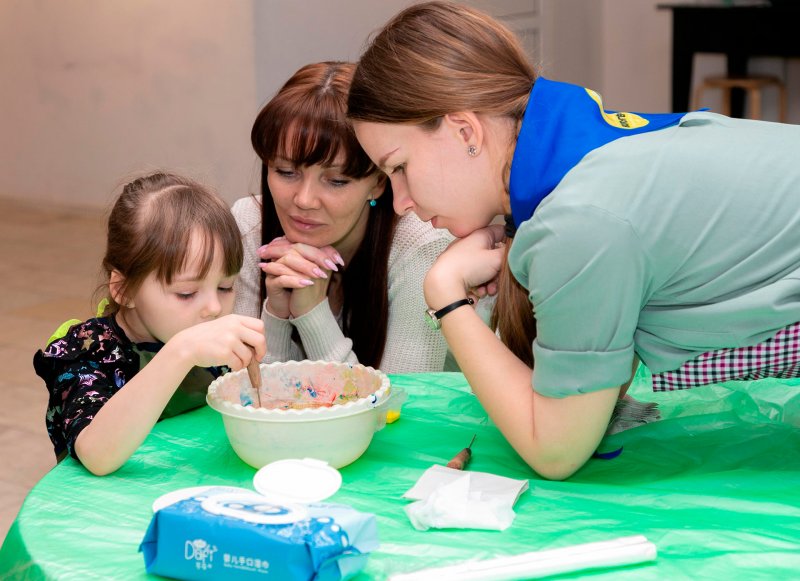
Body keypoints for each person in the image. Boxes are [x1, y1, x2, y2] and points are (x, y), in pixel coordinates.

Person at [348, 1, 800, 479]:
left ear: (465, 131)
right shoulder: (586, 146)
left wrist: (445, 297)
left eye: (398, 167)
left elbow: (557, 450)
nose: (398, 202)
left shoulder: (578, 218)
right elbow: (597, 391)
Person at [33, 172, 266, 476]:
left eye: (225, 287)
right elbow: (97, 456)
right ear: (124, 289)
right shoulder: (88, 351)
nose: (213, 307)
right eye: (187, 293)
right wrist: (180, 353)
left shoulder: (210, 341)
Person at [232, 61, 457, 373]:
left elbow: (398, 412)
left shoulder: (422, 244)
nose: (304, 200)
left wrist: (312, 313)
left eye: (337, 181)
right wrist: (276, 318)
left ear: (379, 182)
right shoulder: (248, 225)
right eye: (285, 172)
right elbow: (247, 400)